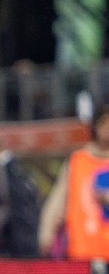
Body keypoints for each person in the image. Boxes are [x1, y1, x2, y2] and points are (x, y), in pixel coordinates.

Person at [40, 105, 109, 260]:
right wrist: (47, 235)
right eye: (104, 124)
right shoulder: (78, 160)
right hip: (83, 250)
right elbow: (59, 201)